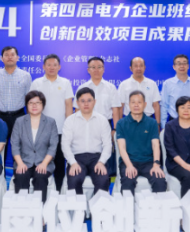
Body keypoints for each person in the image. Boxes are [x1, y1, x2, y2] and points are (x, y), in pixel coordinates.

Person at [29, 54, 73, 190]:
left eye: (55, 65)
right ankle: (39, 190)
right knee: (40, 160)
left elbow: (68, 105)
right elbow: (31, 105)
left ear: (59, 67)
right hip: (39, 130)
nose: (52, 67)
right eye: (49, 65)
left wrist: (69, 127)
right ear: (44, 66)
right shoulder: (36, 83)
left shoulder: (65, 83)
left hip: (60, 129)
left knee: (59, 161)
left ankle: (59, 191)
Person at [62, 88, 113, 195]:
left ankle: (98, 206)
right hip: (77, 158)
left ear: (95, 102)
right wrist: (72, 163)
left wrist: (101, 162)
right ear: (77, 103)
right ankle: (79, 206)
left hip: (97, 158)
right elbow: (65, 145)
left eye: (89, 100)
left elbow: (108, 145)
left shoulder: (102, 120)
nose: (86, 104)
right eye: (82, 101)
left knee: (103, 180)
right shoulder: (70, 120)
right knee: (74, 180)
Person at [116, 91, 167, 193]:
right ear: (128, 104)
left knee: (160, 181)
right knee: (128, 181)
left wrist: (156, 164)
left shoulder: (152, 123)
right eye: (133, 102)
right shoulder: (121, 123)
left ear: (145, 104)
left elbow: (155, 145)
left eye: (139, 102)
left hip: (148, 162)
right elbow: (122, 148)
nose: (136, 105)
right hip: (129, 161)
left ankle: (155, 204)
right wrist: (129, 166)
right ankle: (128, 204)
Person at [0, 46, 33, 162]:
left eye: (12, 54)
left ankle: (17, 173)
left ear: (17, 57)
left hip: (18, 116)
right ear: (2, 58)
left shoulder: (26, 75)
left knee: (18, 149)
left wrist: (30, 119)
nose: (9, 57)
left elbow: (29, 100)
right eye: (6, 55)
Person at [11, 90, 59, 195]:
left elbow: (53, 146)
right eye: (31, 103)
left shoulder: (50, 122)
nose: (34, 105)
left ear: (43, 105)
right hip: (23, 161)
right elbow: (15, 145)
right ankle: (22, 204)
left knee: (40, 177)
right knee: (21, 176)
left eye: (38, 103)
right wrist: (20, 163)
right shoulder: (19, 121)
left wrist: (44, 163)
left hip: (44, 162)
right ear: (26, 105)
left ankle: (40, 204)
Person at [161, 54, 190, 125]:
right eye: (179, 64)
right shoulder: (167, 83)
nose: (182, 66)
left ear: (188, 66)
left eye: (184, 63)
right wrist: (163, 125)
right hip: (174, 122)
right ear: (174, 67)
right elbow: (164, 105)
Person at [77, 57, 122, 125]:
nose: (96, 70)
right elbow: (78, 108)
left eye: (99, 67)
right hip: (85, 123)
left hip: (106, 123)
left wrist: (115, 128)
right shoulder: (82, 88)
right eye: (93, 67)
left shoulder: (111, 88)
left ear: (103, 69)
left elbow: (115, 109)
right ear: (88, 70)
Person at [118, 57, 161, 122]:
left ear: (144, 68)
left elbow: (156, 105)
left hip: (148, 120)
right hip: (129, 120)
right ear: (131, 68)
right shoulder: (124, 85)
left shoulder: (152, 84)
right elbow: (120, 106)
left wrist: (158, 124)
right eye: (136, 66)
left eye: (141, 66)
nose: (138, 68)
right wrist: (120, 124)